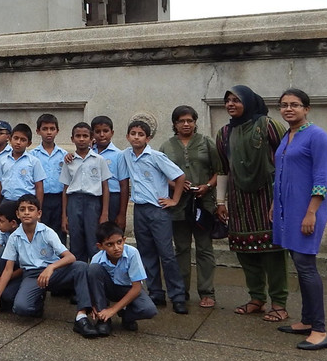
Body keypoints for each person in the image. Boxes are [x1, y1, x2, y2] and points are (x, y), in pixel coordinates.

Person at [215, 85, 289, 321]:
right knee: (245, 251)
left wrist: (280, 200)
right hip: (239, 201)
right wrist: (220, 201)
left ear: (248, 101)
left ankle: (279, 303)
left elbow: (285, 161)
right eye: (228, 101)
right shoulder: (224, 133)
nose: (230, 104)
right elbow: (223, 170)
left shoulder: (268, 125)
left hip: (267, 197)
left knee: (273, 253)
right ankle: (257, 298)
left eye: (236, 100)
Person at [0, 194, 98, 338]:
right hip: (31, 276)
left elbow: (70, 257)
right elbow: (8, 270)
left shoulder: (47, 232)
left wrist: (51, 268)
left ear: (38, 214)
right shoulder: (15, 237)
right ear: (17, 214)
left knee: (81, 267)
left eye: (31, 209)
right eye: (23, 209)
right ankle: (38, 301)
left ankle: (81, 317)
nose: (26, 212)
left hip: (53, 272)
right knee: (21, 308)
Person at [272, 89, 327, 350]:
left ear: (306, 109)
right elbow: (283, 173)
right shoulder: (287, 135)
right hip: (289, 210)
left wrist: (311, 213)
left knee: (307, 266)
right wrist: (276, 204)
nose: (289, 109)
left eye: (295, 105)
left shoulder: (317, 135)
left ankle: (320, 330)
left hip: (308, 210)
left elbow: (322, 177)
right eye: (284, 105)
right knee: (298, 262)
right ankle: (307, 320)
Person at [111, 119, 189, 314]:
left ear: (148, 138)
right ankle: (156, 292)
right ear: (128, 136)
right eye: (133, 134)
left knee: (167, 254)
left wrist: (174, 200)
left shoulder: (156, 157)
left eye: (140, 134)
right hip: (140, 209)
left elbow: (179, 177)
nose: (136, 137)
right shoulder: (126, 155)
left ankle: (178, 296)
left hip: (158, 210)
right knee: (146, 253)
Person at [158, 105, 220, 309]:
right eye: (181, 121)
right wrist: (174, 184)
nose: (186, 124)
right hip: (178, 205)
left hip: (203, 203)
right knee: (181, 248)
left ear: (195, 122)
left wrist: (208, 186)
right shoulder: (166, 147)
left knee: (204, 248)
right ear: (174, 124)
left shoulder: (206, 142)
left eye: (190, 120)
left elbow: (220, 171)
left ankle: (207, 291)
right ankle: (180, 290)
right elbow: (160, 174)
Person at [86, 222, 158, 336]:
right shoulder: (97, 258)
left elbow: (137, 288)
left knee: (149, 310)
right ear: (100, 246)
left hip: (128, 289)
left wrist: (113, 310)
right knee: (93, 269)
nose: (116, 248)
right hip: (108, 289)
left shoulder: (132, 253)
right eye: (109, 244)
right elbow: (91, 284)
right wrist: (93, 304)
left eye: (119, 242)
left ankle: (125, 314)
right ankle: (103, 319)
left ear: (124, 240)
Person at [60, 121, 111, 261]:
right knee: (76, 242)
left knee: (94, 242)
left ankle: (94, 277)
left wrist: (104, 213)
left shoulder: (99, 160)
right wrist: (64, 216)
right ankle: (79, 278)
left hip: (93, 203)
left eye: (85, 136)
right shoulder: (69, 160)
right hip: (74, 202)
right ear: (72, 139)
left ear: (91, 139)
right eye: (78, 136)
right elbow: (65, 188)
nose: (81, 139)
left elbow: (105, 187)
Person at [0, 123, 45, 212]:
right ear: (10, 139)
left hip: (27, 204)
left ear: (29, 143)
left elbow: (39, 187)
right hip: (7, 201)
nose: (18, 142)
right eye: (16, 138)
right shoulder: (3, 160)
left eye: (23, 140)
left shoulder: (33, 162)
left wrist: (37, 210)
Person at [32, 114, 67, 239]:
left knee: (59, 235)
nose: (49, 132)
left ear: (57, 131)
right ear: (38, 131)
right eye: (45, 129)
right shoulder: (32, 156)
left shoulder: (64, 155)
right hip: (40, 199)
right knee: (41, 233)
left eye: (52, 129)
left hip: (59, 199)